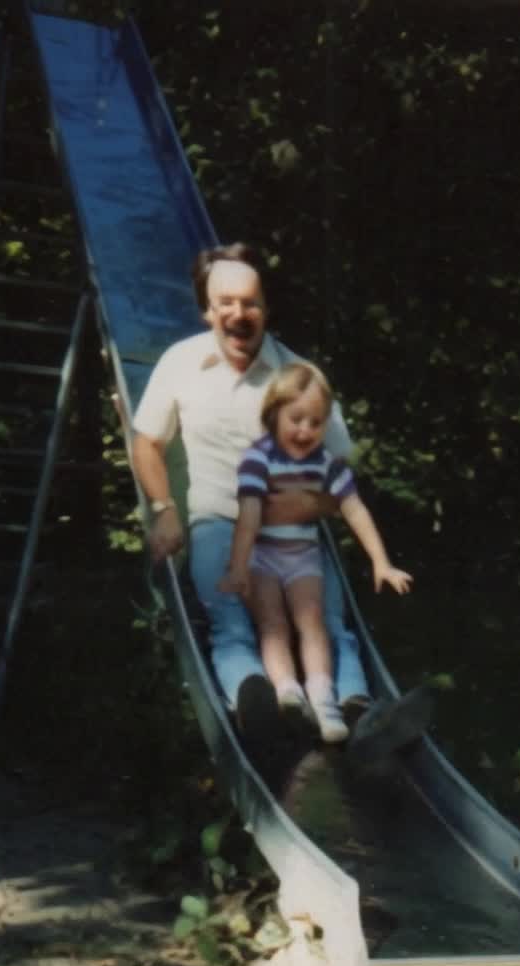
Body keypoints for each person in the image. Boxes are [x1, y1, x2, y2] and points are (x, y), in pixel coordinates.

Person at [130, 241, 428, 752]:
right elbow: (146, 443)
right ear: (208, 309)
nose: (238, 315)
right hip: (217, 523)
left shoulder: (297, 377)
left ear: (266, 309)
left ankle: (359, 715)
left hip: (291, 532)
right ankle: (258, 704)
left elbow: (341, 468)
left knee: (329, 624)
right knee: (232, 622)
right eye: (226, 303)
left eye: (250, 304)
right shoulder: (180, 363)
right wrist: (164, 510)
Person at [218, 361, 413, 744]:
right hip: (263, 556)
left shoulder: (326, 464)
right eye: (296, 419)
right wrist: (239, 567)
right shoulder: (258, 458)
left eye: (316, 421)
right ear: (274, 414)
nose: (306, 430)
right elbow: (250, 514)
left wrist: (381, 561)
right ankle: (289, 692)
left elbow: (354, 508)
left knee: (312, 624)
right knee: (272, 624)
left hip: (303, 557)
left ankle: (324, 701)